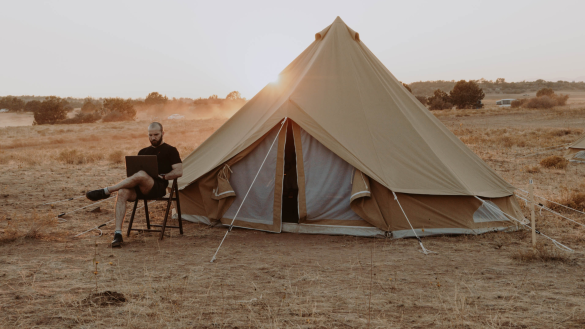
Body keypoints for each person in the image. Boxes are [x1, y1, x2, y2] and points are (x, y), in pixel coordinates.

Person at [85, 122, 182, 247]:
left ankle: (107, 191)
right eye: (150, 135)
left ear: (163, 133)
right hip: (139, 188)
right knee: (122, 192)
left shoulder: (171, 150)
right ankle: (118, 234)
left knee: (141, 174)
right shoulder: (143, 151)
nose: (153, 138)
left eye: (156, 134)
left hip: (157, 187)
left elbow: (179, 171)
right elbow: (133, 175)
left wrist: (163, 176)